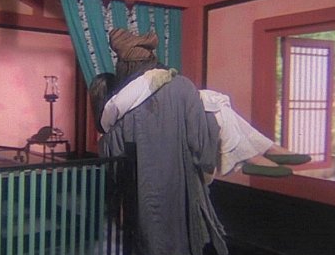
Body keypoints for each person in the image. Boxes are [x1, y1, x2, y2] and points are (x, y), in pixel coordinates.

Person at [92, 28, 229, 255]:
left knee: (153, 231)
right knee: (173, 231)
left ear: (125, 65)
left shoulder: (127, 97)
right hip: (180, 178)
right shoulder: (183, 86)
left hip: (144, 181)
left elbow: (114, 148)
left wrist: (104, 140)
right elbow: (200, 140)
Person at [95, 67, 310, 178]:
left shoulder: (124, 103)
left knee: (219, 108)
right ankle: (257, 153)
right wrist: (153, 78)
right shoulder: (111, 114)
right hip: (161, 128)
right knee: (210, 101)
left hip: (165, 121)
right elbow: (122, 103)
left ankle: (262, 150)